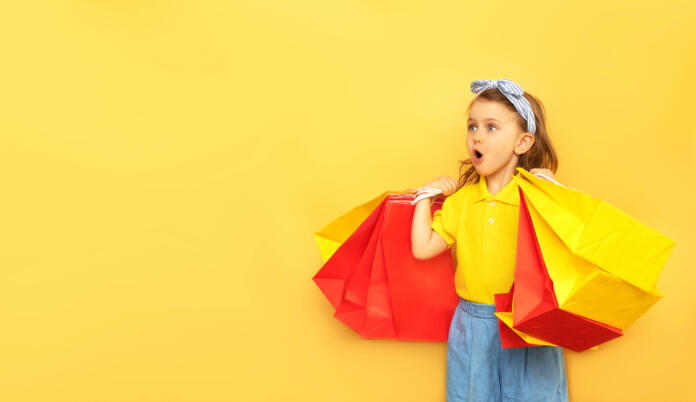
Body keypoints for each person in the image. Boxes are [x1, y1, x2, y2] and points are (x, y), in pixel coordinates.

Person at [410, 79, 569, 402]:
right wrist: (424, 198)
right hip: (474, 325)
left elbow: (568, 244)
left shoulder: (534, 196)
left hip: (528, 320)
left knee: (534, 395)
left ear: (522, 143)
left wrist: (554, 193)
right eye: (472, 127)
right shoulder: (460, 201)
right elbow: (422, 247)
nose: (477, 136)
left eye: (491, 127)